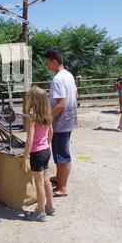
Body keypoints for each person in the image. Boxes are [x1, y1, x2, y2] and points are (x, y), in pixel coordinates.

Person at [44, 47, 78, 197]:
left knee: (61, 154)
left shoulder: (57, 79)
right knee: (60, 152)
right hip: (69, 119)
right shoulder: (68, 74)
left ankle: (62, 188)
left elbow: (61, 104)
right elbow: (75, 94)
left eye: (47, 62)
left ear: (55, 61)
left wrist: (47, 118)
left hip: (60, 122)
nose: (46, 65)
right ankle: (59, 178)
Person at [22, 86, 54, 222]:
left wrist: (25, 157)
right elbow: (51, 132)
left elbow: (29, 139)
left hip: (37, 153)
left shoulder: (33, 118)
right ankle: (49, 206)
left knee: (39, 183)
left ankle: (40, 213)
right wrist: (46, 144)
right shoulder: (48, 115)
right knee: (46, 180)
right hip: (46, 150)